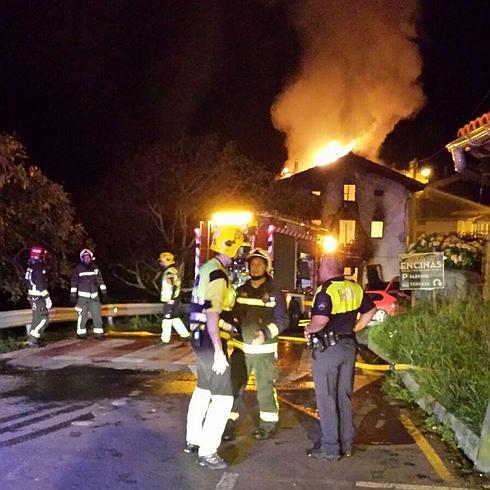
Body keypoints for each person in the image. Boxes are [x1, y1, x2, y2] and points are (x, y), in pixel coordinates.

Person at [304, 254, 376, 460]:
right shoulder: (354, 288)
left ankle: (329, 448)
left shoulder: (326, 290)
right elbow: (370, 311)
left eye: (319, 268)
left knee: (326, 398)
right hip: (348, 347)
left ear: (326, 269)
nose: (318, 272)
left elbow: (320, 320)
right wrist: (354, 328)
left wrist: (309, 330)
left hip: (329, 349)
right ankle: (346, 444)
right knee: (343, 397)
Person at [184, 225, 244, 470]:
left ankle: (194, 441)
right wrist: (219, 351)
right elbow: (212, 313)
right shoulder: (218, 275)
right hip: (211, 342)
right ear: (234, 247)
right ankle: (208, 451)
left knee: (203, 391)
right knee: (222, 399)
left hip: (200, 339)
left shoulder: (208, 268)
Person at [222, 248, 288, 441]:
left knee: (265, 389)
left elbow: (283, 320)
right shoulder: (241, 290)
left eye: (259, 263)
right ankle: (228, 424)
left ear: (267, 267)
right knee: (233, 388)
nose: (255, 267)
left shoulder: (274, 292)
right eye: (252, 264)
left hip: (264, 351)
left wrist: (266, 333)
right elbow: (232, 316)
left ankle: (268, 425)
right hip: (241, 349)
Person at [70, 248, 108, 339]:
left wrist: (104, 293)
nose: (87, 259)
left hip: (94, 297)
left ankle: (98, 334)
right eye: (85, 257)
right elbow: (74, 283)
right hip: (83, 298)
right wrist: (73, 295)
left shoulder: (95, 268)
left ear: (91, 258)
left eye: (88, 257)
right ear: (82, 258)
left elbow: (100, 280)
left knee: (97, 314)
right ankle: (81, 333)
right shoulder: (78, 269)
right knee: (82, 316)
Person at [158, 252, 190, 344]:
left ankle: (165, 339)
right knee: (175, 317)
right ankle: (185, 335)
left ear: (166, 261)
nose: (160, 263)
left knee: (167, 318)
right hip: (176, 298)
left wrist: (171, 299)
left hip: (170, 299)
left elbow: (173, 286)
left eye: (162, 261)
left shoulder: (169, 272)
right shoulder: (174, 270)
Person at [25, 245, 52, 347]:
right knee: (44, 320)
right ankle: (33, 339)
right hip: (39, 298)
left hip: (32, 297)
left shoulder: (30, 267)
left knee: (36, 319)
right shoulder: (38, 268)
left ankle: (33, 340)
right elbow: (40, 285)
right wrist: (47, 298)